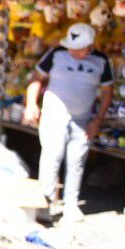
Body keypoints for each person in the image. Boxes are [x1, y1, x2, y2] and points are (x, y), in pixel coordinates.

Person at [26, 23, 113, 222]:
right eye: (72, 46)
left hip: (83, 119)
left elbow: (107, 91)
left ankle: (70, 204)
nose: (72, 50)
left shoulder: (101, 61)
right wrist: (31, 103)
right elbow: (36, 78)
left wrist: (97, 120)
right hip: (54, 116)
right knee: (51, 157)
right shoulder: (56, 53)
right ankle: (45, 203)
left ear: (90, 46)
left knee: (76, 162)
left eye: (78, 48)